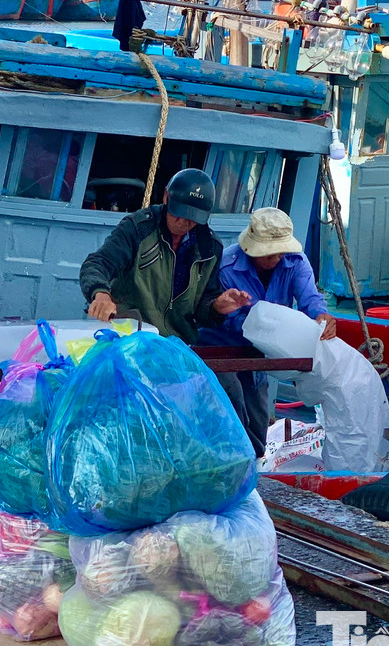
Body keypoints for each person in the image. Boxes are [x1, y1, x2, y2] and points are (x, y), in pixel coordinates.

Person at [78, 168, 261, 450]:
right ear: (166, 198)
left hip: (176, 345)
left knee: (229, 389)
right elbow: (97, 264)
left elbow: (203, 308)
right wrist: (100, 294)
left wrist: (217, 306)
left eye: (193, 218)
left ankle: (239, 459)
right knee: (131, 406)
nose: (185, 223)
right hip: (132, 340)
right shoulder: (138, 228)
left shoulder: (210, 246)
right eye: (180, 214)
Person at [199, 207, 339, 457]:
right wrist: (257, 325)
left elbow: (310, 300)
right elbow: (223, 318)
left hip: (262, 350)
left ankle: (253, 460)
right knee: (231, 399)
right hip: (221, 346)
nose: (275, 258)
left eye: (280, 252)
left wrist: (322, 316)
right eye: (268, 253)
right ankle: (231, 459)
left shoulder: (296, 262)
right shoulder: (226, 266)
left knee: (257, 424)